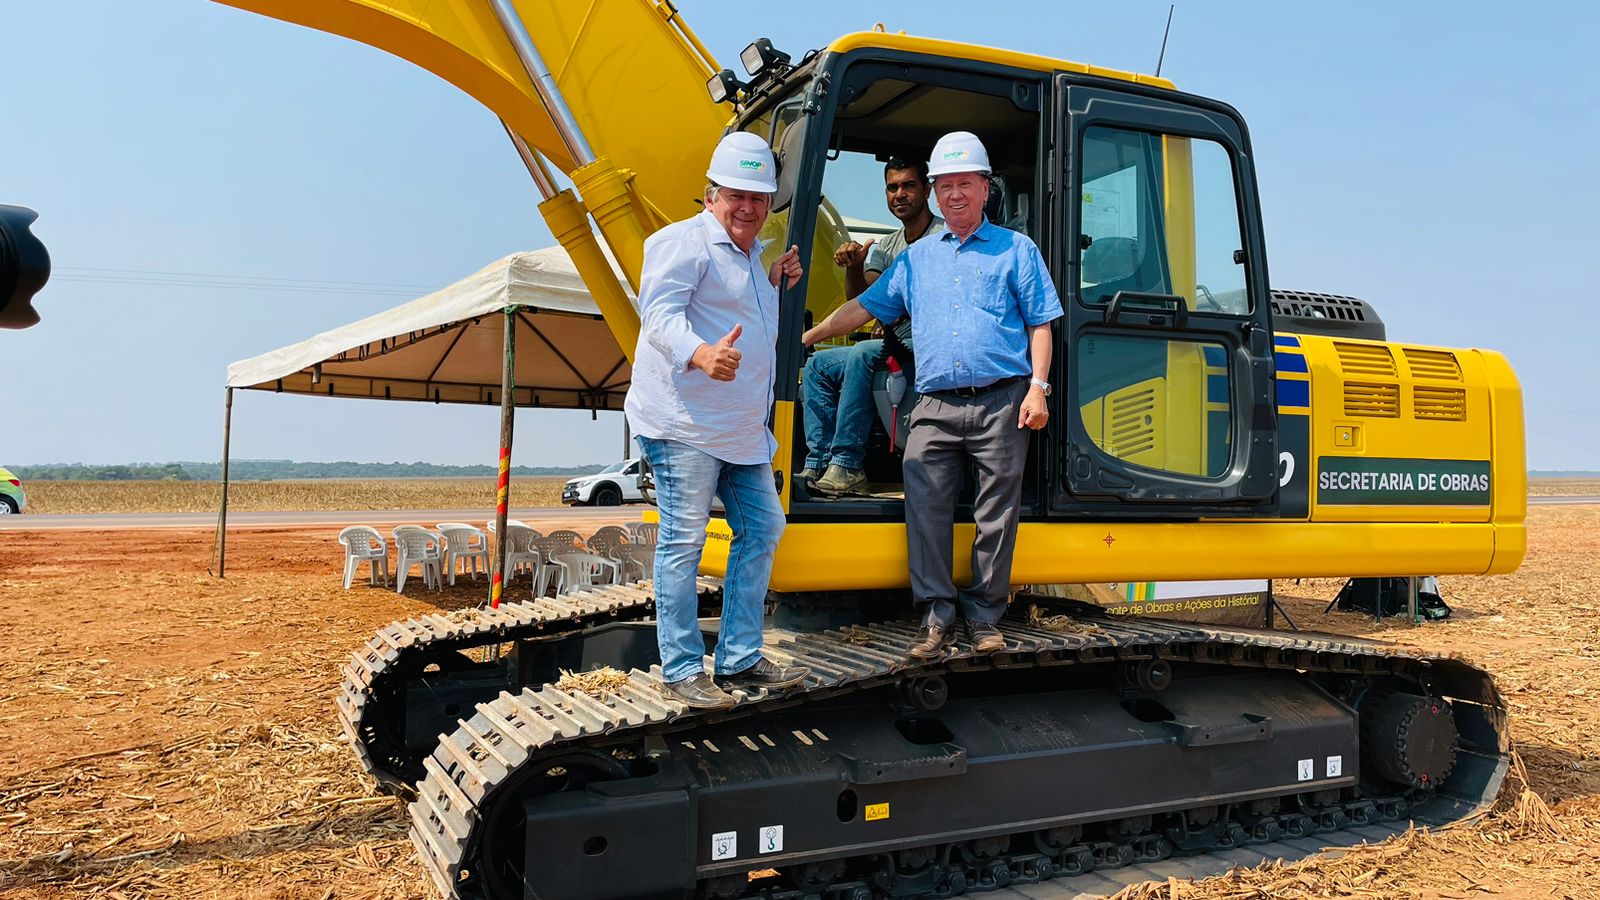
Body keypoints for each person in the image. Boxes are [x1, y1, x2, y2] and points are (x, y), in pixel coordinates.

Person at [801, 131, 1062, 657]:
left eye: (965, 184)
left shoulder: (1016, 249)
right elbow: (866, 307)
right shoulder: (917, 259)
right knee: (924, 508)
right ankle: (935, 616)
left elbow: (1040, 324)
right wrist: (805, 337)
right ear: (937, 193)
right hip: (935, 402)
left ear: (985, 189)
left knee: (996, 513)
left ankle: (985, 617)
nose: (955, 195)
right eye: (945, 186)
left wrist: (1038, 388)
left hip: (1002, 400)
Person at [625, 131, 811, 709]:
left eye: (759, 198)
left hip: (740, 430)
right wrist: (699, 352)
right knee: (682, 542)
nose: (749, 208)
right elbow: (658, 315)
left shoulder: (755, 258)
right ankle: (681, 669)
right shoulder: (682, 243)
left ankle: (738, 659)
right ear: (711, 195)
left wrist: (776, 281)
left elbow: (747, 319)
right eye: (737, 196)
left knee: (763, 528)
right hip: (686, 425)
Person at [802, 157, 943, 496]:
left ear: (927, 189)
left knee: (863, 354)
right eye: (892, 187)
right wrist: (854, 266)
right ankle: (819, 462)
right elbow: (864, 299)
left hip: (927, 352)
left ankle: (848, 464)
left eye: (909, 185)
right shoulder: (885, 247)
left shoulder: (944, 239)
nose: (900, 194)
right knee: (818, 365)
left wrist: (894, 312)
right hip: (894, 347)